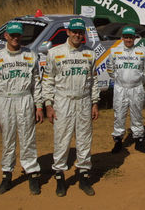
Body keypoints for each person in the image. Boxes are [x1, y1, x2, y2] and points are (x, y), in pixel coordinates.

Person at [42, 18, 100, 197]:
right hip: (63, 102)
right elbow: (48, 81)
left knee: (84, 140)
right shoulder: (54, 53)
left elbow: (94, 80)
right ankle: (60, 178)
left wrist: (95, 102)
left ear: (84, 34)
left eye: (80, 32)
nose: (77, 35)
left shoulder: (89, 54)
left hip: (83, 101)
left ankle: (83, 177)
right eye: (74, 31)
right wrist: (48, 105)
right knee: (62, 140)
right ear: (68, 32)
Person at [0, 21, 43, 195]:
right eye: (12, 35)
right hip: (5, 101)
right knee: (8, 140)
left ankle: (32, 174)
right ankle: (6, 175)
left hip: (25, 99)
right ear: (6, 36)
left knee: (28, 138)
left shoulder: (31, 55)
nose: (16, 38)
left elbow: (36, 83)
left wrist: (38, 106)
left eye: (18, 35)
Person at [107, 26, 145, 154]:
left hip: (136, 88)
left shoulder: (142, 51)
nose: (129, 39)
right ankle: (118, 141)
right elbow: (110, 68)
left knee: (137, 114)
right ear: (122, 38)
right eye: (126, 37)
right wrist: (118, 79)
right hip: (120, 88)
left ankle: (139, 141)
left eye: (131, 37)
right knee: (119, 115)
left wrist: (139, 80)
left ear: (135, 38)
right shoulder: (115, 51)